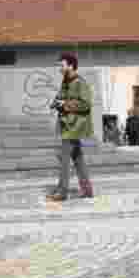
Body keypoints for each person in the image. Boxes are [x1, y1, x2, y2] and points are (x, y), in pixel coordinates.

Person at [47, 52, 95, 201]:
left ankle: (62, 191)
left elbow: (86, 104)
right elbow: (61, 96)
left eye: (62, 66)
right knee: (78, 158)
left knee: (64, 157)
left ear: (71, 66)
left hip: (74, 126)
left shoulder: (80, 82)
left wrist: (65, 104)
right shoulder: (66, 82)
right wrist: (56, 102)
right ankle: (87, 190)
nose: (60, 69)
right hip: (68, 124)